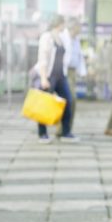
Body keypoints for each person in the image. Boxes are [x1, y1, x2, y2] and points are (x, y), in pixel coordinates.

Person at [35, 15, 78, 143]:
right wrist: (43, 78)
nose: (65, 25)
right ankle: (42, 134)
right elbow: (43, 58)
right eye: (63, 23)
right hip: (49, 75)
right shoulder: (47, 37)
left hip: (61, 76)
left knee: (67, 101)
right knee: (44, 104)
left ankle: (65, 132)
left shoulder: (61, 38)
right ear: (58, 24)